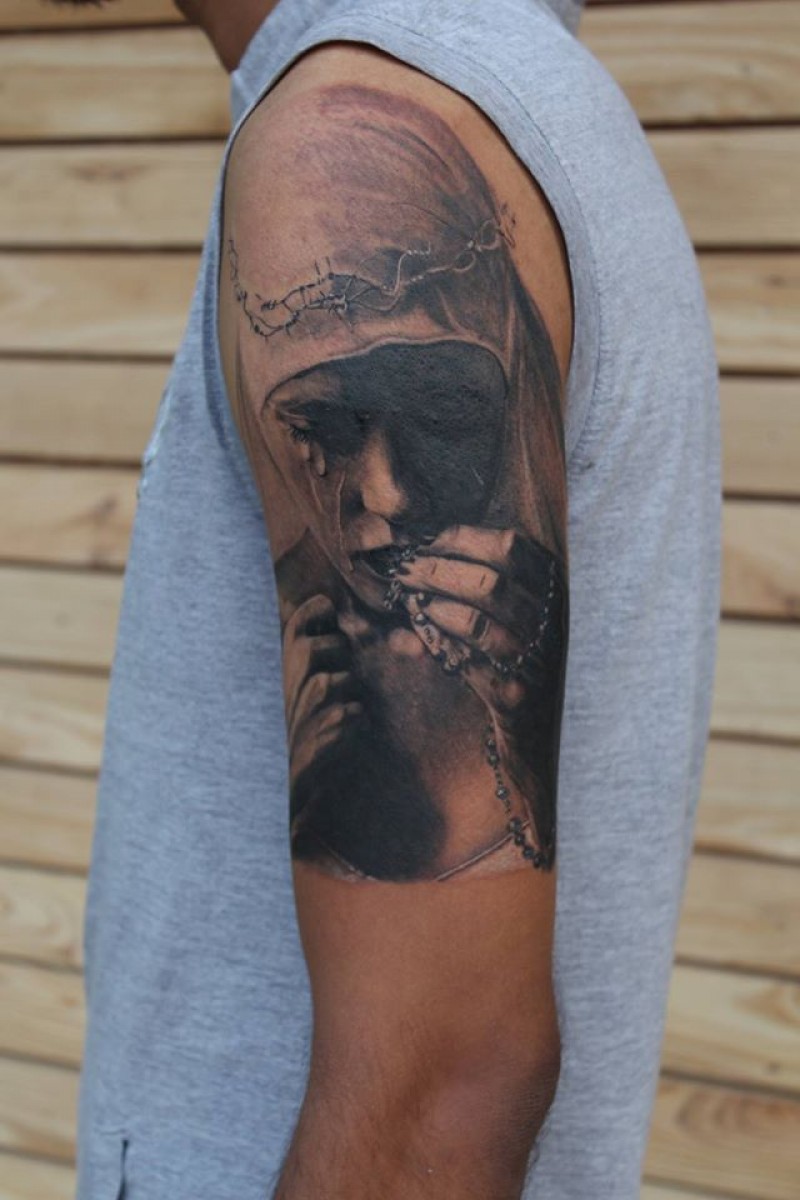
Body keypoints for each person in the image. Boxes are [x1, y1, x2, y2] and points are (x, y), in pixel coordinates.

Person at [66, 2, 720, 1198]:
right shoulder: (507, 90)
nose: (377, 504)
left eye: (436, 416)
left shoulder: (359, 132)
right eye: (323, 431)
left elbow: (438, 1084)